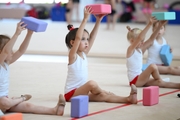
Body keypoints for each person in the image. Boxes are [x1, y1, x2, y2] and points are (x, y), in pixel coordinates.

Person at [64, 6, 138, 104]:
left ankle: (128, 99)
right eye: (83, 39)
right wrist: (85, 18)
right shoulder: (72, 56)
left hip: (82, 91)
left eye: (87, 39)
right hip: (71, 94)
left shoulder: (84, 54)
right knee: (92, 84)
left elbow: (92, 37)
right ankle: (105, 92)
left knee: (102, 96)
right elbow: (78, 37)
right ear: (73, 43)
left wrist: (98, 20)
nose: (86, 42)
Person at [0, 22, 65, 115]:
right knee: (5, 102)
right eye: (10, 49)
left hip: (6, 101)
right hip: (3, 102)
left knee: (28, 106)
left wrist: (29, 34)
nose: (12, 52)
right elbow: (6, 52)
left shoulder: (6, 64)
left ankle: (54, 110)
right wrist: (16, 34)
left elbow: (21, 50)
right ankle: (21, 98)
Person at [126, 16, 180, 89]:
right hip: (135, 81)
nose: (142, 42)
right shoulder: (130, 50)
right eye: (141, 41)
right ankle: (160, 79)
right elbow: (140, 38)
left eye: (143, 41)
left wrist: (160, 25)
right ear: (132, 41)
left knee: (160, 83)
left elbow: (151, 39)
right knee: (152, 66)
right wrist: (149, 24)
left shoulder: (140, 49)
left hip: (141, 77)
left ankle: (177, 85)